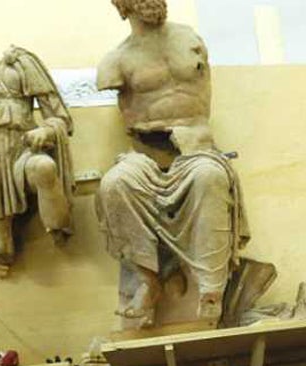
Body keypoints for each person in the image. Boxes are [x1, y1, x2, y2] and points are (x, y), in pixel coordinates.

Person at [95, 0, 250, 328]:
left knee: (209, 177)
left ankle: (211, 288)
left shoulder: (190, 39)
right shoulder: (116, 60)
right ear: (121, 6)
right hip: (146, 155)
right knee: (114, 184)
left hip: (196, 148)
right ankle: (148, 283)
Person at [0, 46, 74, 265]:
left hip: (20, 150)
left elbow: (60, 117)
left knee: (44, 168)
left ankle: (59, 226)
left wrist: (46, 131)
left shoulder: (22, 60)